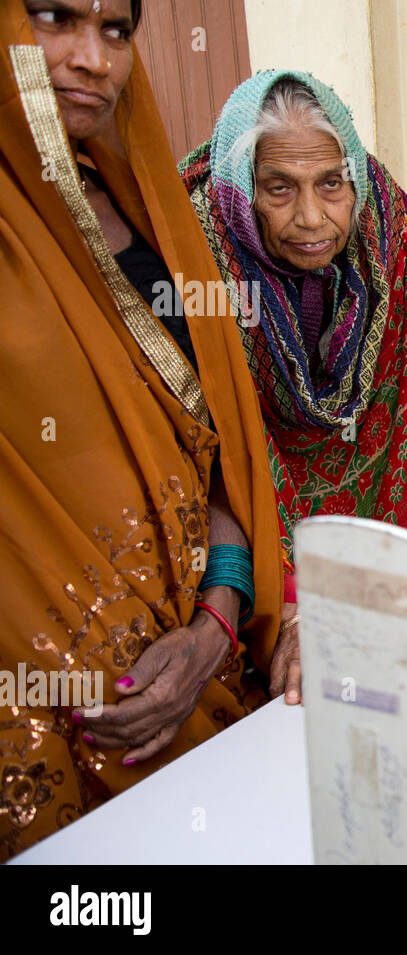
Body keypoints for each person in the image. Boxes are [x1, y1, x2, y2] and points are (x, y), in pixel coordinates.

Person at [0, 0, 286, 859]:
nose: (94, 59)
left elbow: (213, 465)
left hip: (198, 693)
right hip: (44, 728)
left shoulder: (151, 220)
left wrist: (216, 623)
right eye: (53, 17)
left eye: (117, 29)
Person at [181, 71, 407, 702]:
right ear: (241, 191)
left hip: (367, 482)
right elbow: (222, 443)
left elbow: (391, 416)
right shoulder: (191, 254)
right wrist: (290, 602)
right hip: (243, 505)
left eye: (331, 184)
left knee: (383, 687)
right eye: (279, 188)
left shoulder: (383, 221)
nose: (312, 218)